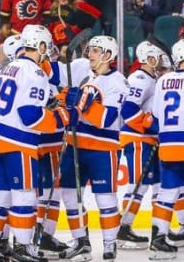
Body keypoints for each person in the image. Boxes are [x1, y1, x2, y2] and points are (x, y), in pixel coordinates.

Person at [0, 24, 67, 262]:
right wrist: (62, 116)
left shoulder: (8, 67)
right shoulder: (36, 73)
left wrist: (53, 101)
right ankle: (23, 248)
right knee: (25, 196)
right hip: (16, 141)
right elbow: (30, 116)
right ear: (41, 46)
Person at [130, 39, 184, 260]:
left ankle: (158, 240)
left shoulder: (163, 80)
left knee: (167, 194)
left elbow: (156, 120)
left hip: (167, 146)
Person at [58, 36, 128, 262]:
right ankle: (81, 242)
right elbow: (76, 110)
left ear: (108, 55)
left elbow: (107, 118)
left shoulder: (118, 81)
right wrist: (67, 106)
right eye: (90, 50)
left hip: (102, 148)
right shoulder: (87, 76)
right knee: (69, 194)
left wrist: (80, 102)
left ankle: (109, 244)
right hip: (75, 144)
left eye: (96, 51)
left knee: (105, 198)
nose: (91, 54)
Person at [117, 41, 164, 249]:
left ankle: (158, 229)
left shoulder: (152, 79)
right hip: (137, 138)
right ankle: (122, 229)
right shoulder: (139, 78)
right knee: (138, 183)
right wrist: (150, 125)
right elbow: (127, 109)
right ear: (149, 58)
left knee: (154, 184)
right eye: (158, 58)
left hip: (147, 139)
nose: (161, 62)